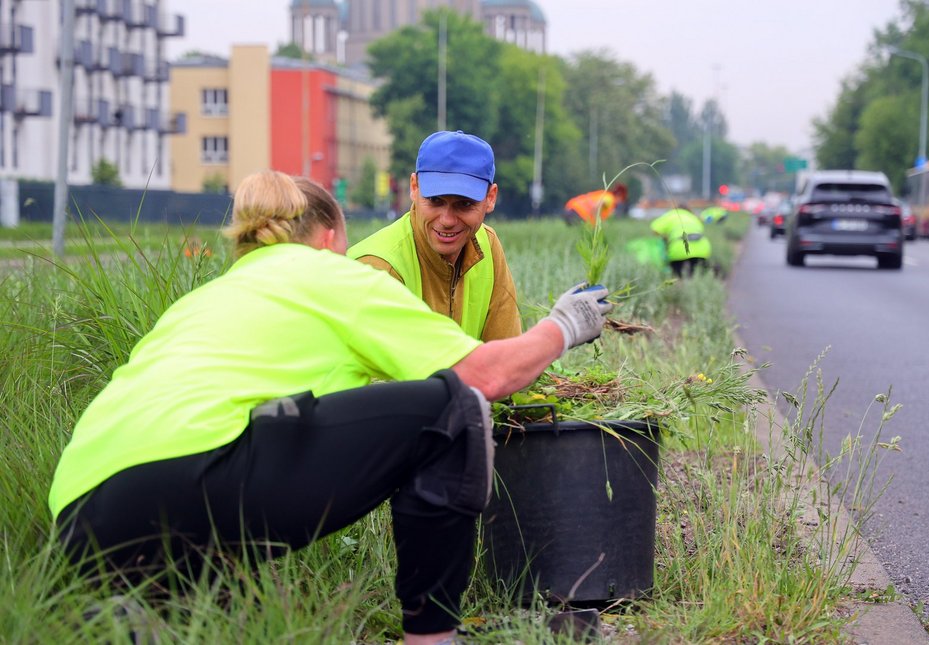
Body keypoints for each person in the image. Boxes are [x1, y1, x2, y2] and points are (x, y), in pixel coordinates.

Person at [49, 170, 612, 645]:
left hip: (83, 516)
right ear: (326, 238)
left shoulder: (200, 302)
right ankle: (433, 636)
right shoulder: (330, 275)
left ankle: (146, 613)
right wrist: (563, 326)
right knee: (452, 408)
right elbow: (487, 375)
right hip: (205, 479)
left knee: (248, 466)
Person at [348, 130, 521, 342]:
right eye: (435, 201)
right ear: (414, 187)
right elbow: (389, 372)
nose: (447, 220)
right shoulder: (376, 266)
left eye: (464, 204)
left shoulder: (488, 244)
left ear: (490, 198)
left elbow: (505, 354)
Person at [649, 204, 712, 278]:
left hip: (679, 247)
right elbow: (700, 230)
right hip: (701, 248)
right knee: (697, 276)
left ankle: (680, 286)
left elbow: (654, 229)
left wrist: (665, 237)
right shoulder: (693, 217)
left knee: (677, 276)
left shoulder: (671, 215)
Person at [563, 183, 629, 226]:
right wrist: (596, 224)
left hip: (570, 210)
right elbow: (597, 205)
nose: (620, 202)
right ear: (619, 195)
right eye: (622, 199)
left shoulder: (604, 194)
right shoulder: (610, 198)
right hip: (578, 214)